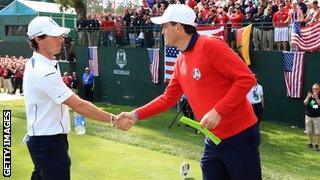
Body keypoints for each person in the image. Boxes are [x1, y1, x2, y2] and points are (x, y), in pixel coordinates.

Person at [117, 4, 261, 179]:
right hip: (212, 140)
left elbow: (246, 78)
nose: (162, 32)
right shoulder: (180, 60)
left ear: (178, 28)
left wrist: (218, 111)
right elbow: (168, 98)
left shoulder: (210, 45)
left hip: (239, 136)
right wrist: (135, 115)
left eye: (165, 27)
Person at [24, 16, 133, 180]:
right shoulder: (43, 70)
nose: (61, 39)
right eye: (55, 36)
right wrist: (113, 118)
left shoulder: (42, 63)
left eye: (60, 35)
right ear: (38, 39)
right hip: (48, 144)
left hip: (45, 141)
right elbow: (79, 105)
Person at [303, 83, 320, 151]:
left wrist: (316, 98)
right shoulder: (309, 95)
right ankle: (310, 143)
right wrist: (308, 97)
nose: (314, 90)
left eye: (316, 89)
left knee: (317, 132)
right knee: (309, 131)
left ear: (319, 89)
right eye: (313, 89)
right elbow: (305, 103)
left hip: (317, 117)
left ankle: (316, 145)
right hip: (309, 116)